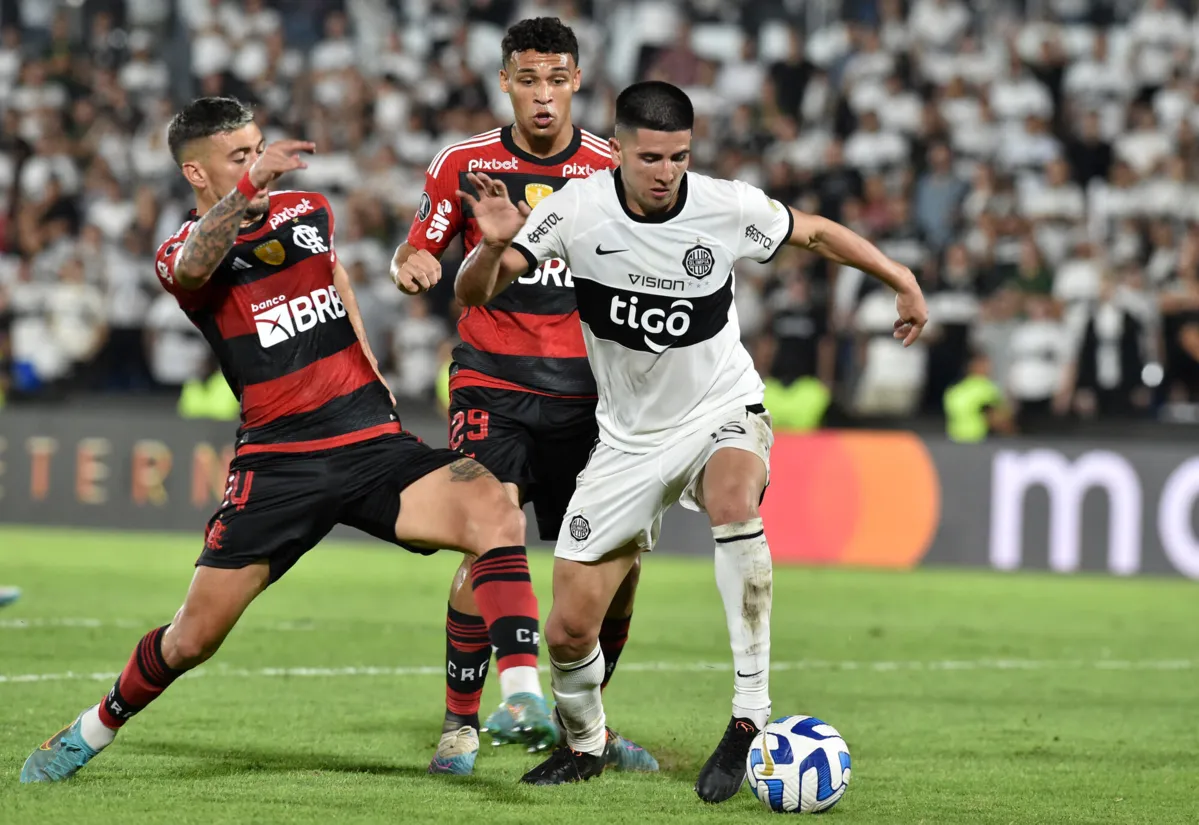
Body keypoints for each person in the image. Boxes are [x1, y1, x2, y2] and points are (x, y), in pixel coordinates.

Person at [20, 97, 556, 784]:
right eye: (238, 157)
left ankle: (509, 701)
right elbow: (190, 271)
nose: (258, 165)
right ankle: (94, 726)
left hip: (369, 442)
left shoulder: (307, 212)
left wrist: (371, 363)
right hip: (278, 464)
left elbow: (331, 277)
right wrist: (246, 190)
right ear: (196, 170)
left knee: (493, 508)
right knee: (192, 637)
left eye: (258, 149)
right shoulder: (180, 251)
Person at [451, 81, 928, 800]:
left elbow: (816, 233)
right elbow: (475, 291)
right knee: (568, 631)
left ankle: (749, 715)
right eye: (649, 157)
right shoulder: (577, 209)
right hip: (628, 440)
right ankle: (585, 744)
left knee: (735, 497)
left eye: (677, 156)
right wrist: (490, 245)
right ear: (615, 150)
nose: (664, 171)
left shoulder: (724, 205)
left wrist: (899, 276)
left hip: (719, 409)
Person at [391, 17, 654, 776]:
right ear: (504, 81)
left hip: (592, 396)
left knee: (617, 562)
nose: (543, 95)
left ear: (578, 81)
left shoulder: (613, 167)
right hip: (491, 381)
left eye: (557, 78)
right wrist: (411, 264)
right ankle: (461, 724)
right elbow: (420, 242)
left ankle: (587, 729)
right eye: (528, 80)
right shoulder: (464, 161)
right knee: (488, 531)